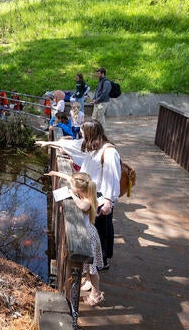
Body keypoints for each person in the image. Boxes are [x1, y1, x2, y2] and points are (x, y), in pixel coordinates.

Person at [36, 120, 121, 270]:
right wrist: (48, 143)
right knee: (94, 229)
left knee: (102, 229)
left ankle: (102, 261)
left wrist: (109, 200)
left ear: (90, 133)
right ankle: (95, 261)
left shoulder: (109, 152)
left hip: (101, 198)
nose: (81, 135)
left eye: (83, 132)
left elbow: (113, 178)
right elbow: (71, 145)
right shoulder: (92, 146)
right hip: (91, 193)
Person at [44, 171, 105, 306]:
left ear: (79, 190)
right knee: (89, 267)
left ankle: (96, 293)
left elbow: (83, 206)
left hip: (89, 237)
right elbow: (70, 178)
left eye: (73, 188)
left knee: (93, 269)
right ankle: (89, 283)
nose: (72, 189)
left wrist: (72, 194)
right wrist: (56, 173)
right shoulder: (86, 190)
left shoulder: (87, 200)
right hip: (86, 234)